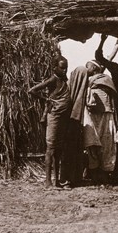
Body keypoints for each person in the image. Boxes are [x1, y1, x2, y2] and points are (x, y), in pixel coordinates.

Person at [28, 56, 71, 189]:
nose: (64, 70)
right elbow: (32, 90)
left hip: (62, 117)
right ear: (55, 68)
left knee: (58, 149)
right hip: (54, 117)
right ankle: (48, 181)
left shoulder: (64, 81)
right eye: (62, 67)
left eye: (66, 68)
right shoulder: (53, 79)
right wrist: (46, 99)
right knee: (50, 148)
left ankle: (56, 180)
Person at [82, 60, 118, 184]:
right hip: (92, 115)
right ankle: (94, 171)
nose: (87, 68)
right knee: (92, 142)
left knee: (107, 143)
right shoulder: (86, 80)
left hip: (106, 114)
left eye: (89, 66)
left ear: (95, 67)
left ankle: (105, 171)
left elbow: (113, 96)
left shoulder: (106, 78)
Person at [61, 63, 94, 188]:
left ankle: (75, 178)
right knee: (68, 151)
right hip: (69, 122)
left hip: (76, 122)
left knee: (76, 150)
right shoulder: (66, 92)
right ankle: (66, 180)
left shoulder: (77, 93)